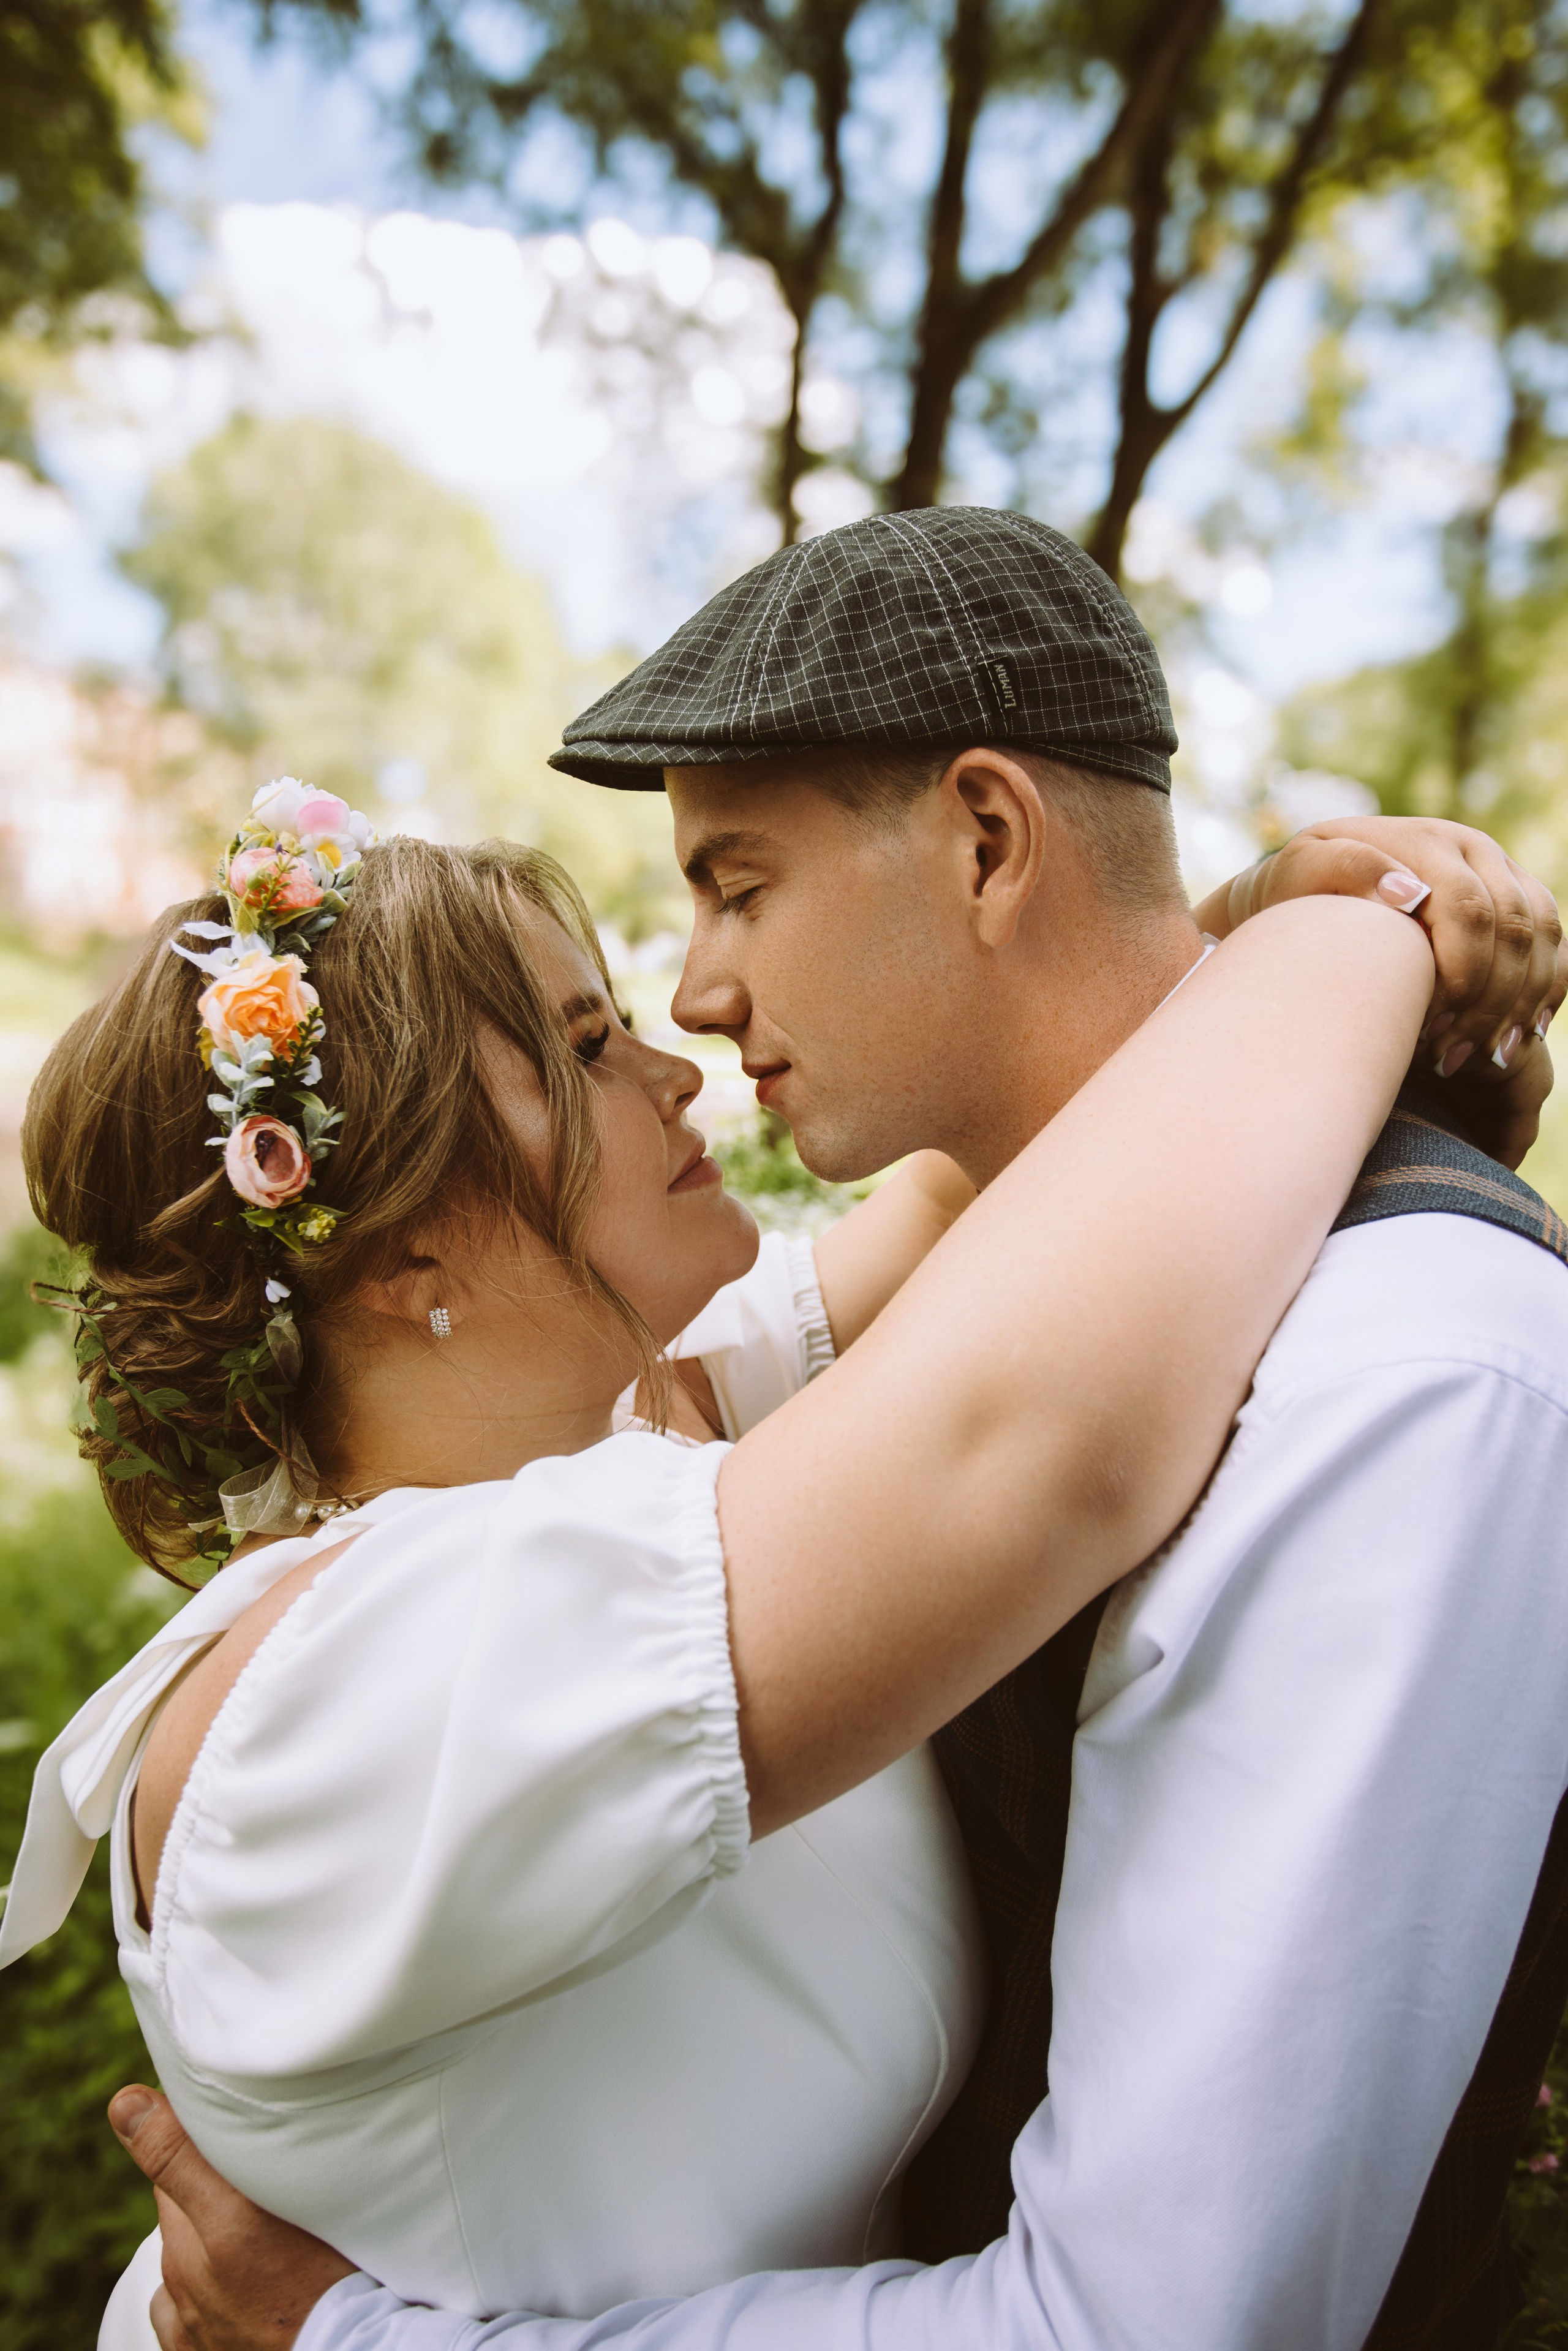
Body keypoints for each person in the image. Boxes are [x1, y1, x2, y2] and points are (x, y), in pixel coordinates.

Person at [99, 509, 1568, 2351]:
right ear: (401, 1250)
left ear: (984, 837)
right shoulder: (394, 1664)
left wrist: (1318, 931)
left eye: (736, 885)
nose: (694, 1025)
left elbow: (1019, 1226)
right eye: (588, 1040)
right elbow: (1019, 1411)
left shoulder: (1397, 1365)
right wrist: (1364, 936)